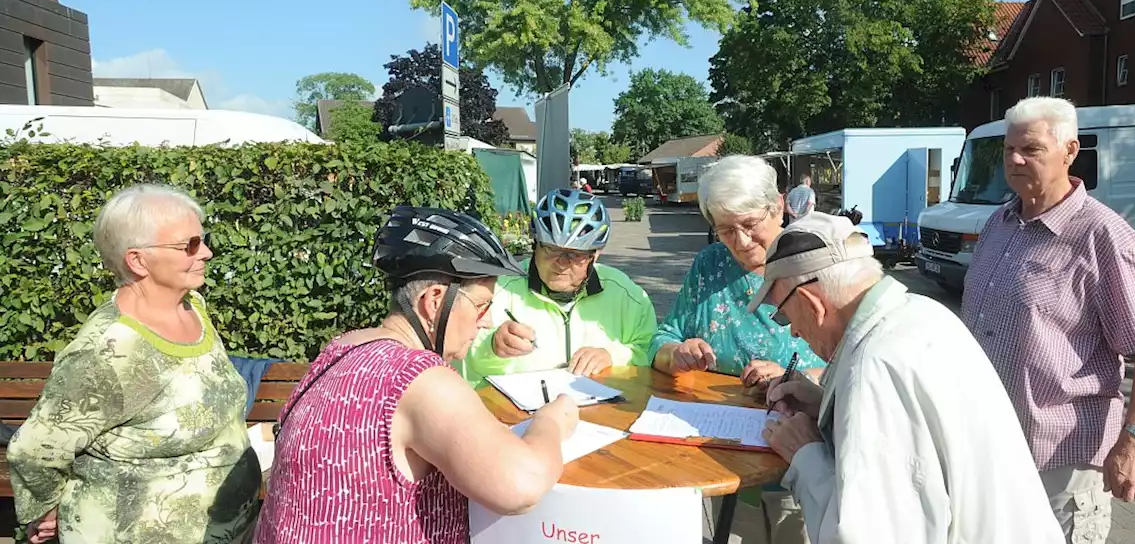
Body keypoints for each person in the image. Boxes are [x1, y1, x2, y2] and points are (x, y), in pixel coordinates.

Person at [255, 206, 579, 544]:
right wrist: (552, 422)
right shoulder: (419, 378)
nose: (486, 321)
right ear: (435, 300)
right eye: (482, 305)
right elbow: (520, 487)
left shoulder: (343, 347)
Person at [755, 212, 1063, 543]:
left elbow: (869, 534)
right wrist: (827, 404)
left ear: (811, 303)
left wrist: (806, 455)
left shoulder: (872, 368)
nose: (797, 333)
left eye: (785, 318)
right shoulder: (920, 313)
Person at [961, 96, 1135, 543]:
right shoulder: (1000, 222)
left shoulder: (1101, 234)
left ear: (1070, 151)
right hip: (990, 447)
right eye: (1009, 149)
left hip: (1062, 458)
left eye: (1032, 149)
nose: (1016, 160)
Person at [7, 184, 261, 544]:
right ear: (137, 260)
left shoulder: (194, 308)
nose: (206, 252)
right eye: (188, 245)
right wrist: (48, 510)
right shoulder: (109, 350)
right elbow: (34, 449)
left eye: (203, 239)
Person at [649, 155, 824, 544]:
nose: (741, 243)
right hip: (720, 454)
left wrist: (795, 378)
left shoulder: (815, 261)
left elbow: (853, 363)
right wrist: (677, 352)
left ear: (778, 206)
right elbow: (661, 341)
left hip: (801, 460)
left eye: (749, 225)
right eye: (725, 229)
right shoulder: (710, 266)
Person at [459, 189, 657, 384]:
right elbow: (462, 362)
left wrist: (612, 356)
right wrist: (493, 349)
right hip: (518, 412)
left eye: (575, 254)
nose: (562, 263)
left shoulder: (627, 295)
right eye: (552, 250)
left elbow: (651, 351)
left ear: (595, 254)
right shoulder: (497, 291)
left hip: (601, 410)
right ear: (535, 244)